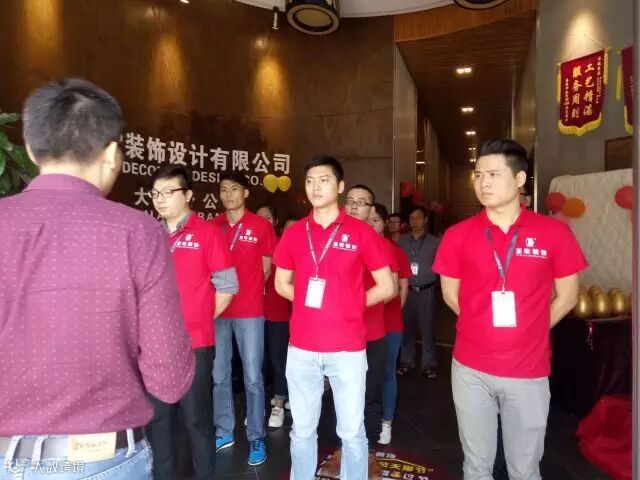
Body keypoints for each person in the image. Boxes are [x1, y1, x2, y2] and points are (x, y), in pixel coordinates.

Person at [0, 78, 195, 479]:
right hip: (104, 460)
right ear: (111, 154)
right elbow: (171, 378)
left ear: (31, 150)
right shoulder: (139, 232)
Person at [433, 139, 588, 480]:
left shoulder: (554, 233)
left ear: (519, 179)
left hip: (528, 371)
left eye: (493, 174)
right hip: (470, 369)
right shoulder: (458, 235)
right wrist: (481, 327)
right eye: (478, 174)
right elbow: (450, 294)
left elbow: (568, 296)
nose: (483, 183)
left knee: (524, 468)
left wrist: (531, 330)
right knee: (476, 465)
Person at [274, 155, 395, 480]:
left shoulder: (361, 233)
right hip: (302, 347)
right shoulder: (294, 233)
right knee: (301, 430)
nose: (316, 187)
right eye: (310, 181)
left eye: (324, 180)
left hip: (347, 348)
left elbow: (387, 286)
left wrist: (348, 305)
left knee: (352, 431)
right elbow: (281, 284)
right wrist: (314, 303)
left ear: (340, 187)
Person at [148, 165, 238, 480]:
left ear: (187, 195)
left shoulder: (207, 233)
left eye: (168, 192)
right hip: (154, 347)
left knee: (197, 419)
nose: (160, 199)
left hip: (195, 343)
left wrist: (200, 317)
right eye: (155, 193)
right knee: (159, 420)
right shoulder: (150, 234)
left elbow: (227, 286)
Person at [211, 172, 276, 466]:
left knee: (252, 377)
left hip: (250, 311)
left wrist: (247, 291)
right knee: (219, 376)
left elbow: (266, 269)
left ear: (245, 193)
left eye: (234, 189)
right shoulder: (213, 226)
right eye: (224, 189)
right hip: (218, 311)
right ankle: (224, 430)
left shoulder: (260, 226)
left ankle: (256, 436)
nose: (228, 195)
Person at [368, 203, 411, 445]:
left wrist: (390, 310)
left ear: (384, 223)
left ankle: (386, 422)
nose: (371, 224)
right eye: (368, 220)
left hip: (389, 322)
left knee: (386, 372)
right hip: (362, 323)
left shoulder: (394, 251)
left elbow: (401, 287)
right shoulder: (356, 247)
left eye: (376, 220)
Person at [256, 204, 291, 428]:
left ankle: (278, 404)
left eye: (267, 218)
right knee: (257, 363)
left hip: (278, 312)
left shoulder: (283, 244)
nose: (263, 222)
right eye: (259, 218)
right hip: (253, 312)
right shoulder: (250, 244)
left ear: (275, 222)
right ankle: (257, 406)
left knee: (278, 361)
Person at [397, 205, 440, 379]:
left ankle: (429, 364)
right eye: (411, 218)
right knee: (406, 328)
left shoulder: (435, 242)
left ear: (425, 220)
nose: (414, 221)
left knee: (427, 329)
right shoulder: (402, 241)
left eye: (418, 218)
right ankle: (407, 362)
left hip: (426, 291)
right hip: (406, 291)